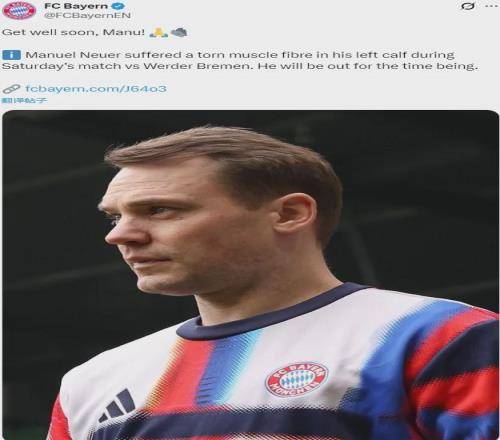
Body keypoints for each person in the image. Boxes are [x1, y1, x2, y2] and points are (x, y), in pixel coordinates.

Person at [47, 126, 498, 440]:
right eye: (114, 216)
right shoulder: (90, 382)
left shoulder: (444, 337)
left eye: (160, 209)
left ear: (289, 213)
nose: (119, 235)